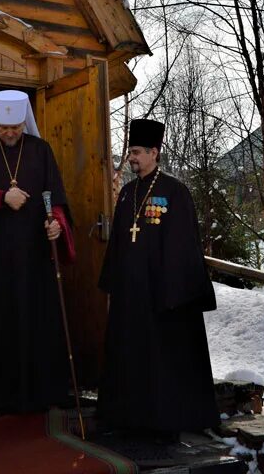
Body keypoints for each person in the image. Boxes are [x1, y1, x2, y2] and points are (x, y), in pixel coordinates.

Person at [96, 118, 219, 438]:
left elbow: (184, 247)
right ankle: (127, 417)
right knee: (130, 359)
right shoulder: (126, 193)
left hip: (161, 298)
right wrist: (113, 285)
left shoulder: (175, 192)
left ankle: (162, 422)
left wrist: (172, 293)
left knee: (161, 363)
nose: (131, 157)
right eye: (130, 151)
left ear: (154, 151)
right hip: (129, 297)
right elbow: (120, 242)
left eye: (136, 152)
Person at [0, 89, 75, 415]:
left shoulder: (40, 149)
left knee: (37, 319)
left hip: (34, 253)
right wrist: (0, 198)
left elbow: (55, 194)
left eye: (15, 127)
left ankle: (42, 392)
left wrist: (56, 223)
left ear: (25, 122)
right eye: (3, 127)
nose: (10, 133)